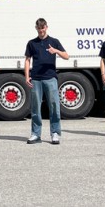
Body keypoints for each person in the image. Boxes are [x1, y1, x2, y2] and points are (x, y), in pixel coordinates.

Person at [24, 17, 70, 145]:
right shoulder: (31, 43)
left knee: (54, 106)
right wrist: (27, 76)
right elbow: (27, 60)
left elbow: (67, 56)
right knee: (35, 107)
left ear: (46, 27)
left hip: (50, 78)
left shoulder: (54, 41)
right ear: (36, 28)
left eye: (43, 28)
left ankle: (55, 133)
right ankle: (36, 134)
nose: (41, 30)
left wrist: (56, 51)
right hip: (36, 79)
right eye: (39, 28)